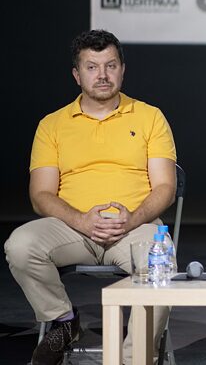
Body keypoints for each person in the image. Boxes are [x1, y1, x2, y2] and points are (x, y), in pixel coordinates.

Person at [5, 29, 177, 365]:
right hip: (73, 227)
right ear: (76, 74)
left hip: (134, 227)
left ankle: (133, 358)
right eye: (92, 67)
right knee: (20, 245)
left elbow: (165, 188)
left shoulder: (150, 117)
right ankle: (64, 320)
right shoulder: (52, 124)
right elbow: (40, 194)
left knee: (161, 264)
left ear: (122, 70)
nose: (102, 75)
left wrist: (133, 218)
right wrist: (81, 220)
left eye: (110, 65)